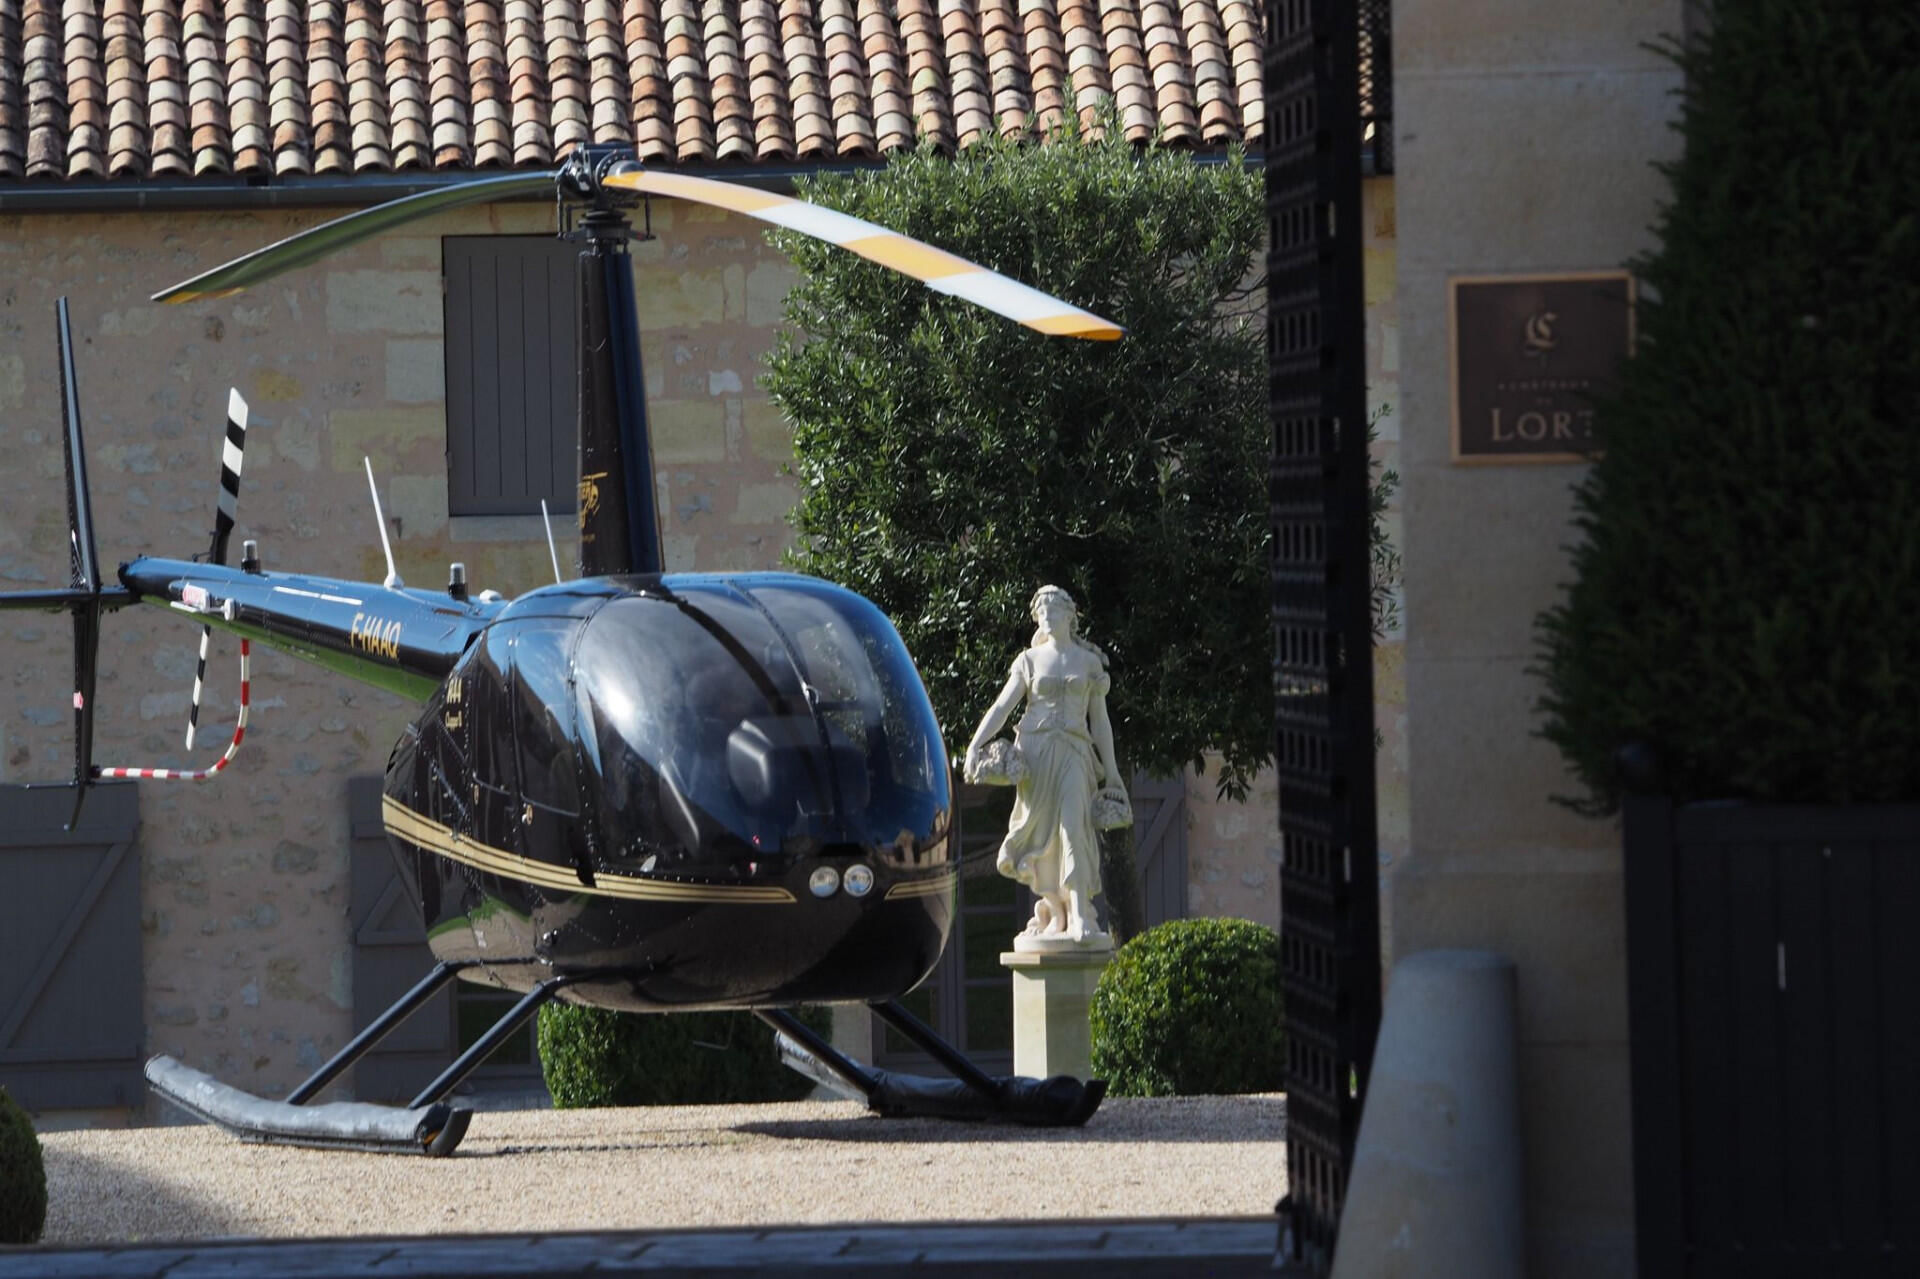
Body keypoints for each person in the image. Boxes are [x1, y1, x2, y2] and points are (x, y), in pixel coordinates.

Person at [964, 585, 1126, 946]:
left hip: (1075, 752)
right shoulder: (1029, 661)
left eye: (1053, 611)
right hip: (1036, 755)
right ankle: (1055, 908)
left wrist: (1111, 771)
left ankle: (1081, 911)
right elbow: (1003, 707)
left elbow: (1099, 722)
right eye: (1041, 614)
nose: (1047, 618)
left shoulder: (1088, 663)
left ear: (1070, 615)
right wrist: (976, 743)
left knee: (1073, 827)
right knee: (1040, 836)